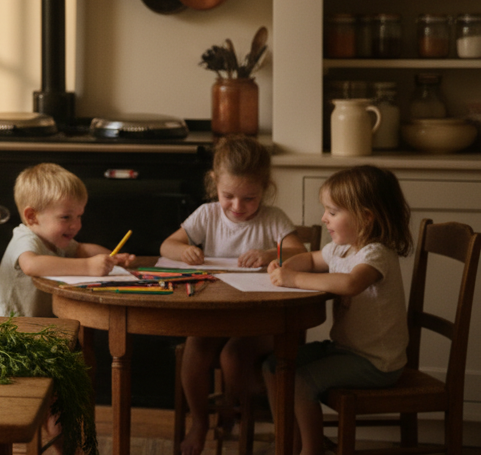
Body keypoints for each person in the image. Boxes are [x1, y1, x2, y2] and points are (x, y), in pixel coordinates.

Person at [161, 134, 305, 455]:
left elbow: (299, 251)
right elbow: (166, 246)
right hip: (215, 311)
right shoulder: (208, 215)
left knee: (232, 357)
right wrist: (184, 251)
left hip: (260, 318)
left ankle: (242, 412)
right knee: (194, 352)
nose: (237, 207)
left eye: (249, 198)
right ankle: (200, 422)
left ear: (265, 188)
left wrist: (270, 255)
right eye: (229, 196)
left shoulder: (273, 219)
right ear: (214, 183)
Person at [265, 165, 412, 455]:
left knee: (300, 381)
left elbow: (352, 283)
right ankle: (288, 440)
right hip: (345, 349)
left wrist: (294, 280)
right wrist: (287, 266)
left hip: (377, 362)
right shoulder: (341, 248)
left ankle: (311, 449)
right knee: (273, 365)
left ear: (365, 217)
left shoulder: (376, 253)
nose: (324, 218)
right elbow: (309, 258)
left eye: (332, 212)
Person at [0, 163, 137, 320]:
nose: (76, 225)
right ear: (32, 216)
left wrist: (113, 258)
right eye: (66, 217)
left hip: (38, 328)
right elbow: (31, 265)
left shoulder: (53, 238)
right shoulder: (24, 237)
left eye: (79, 216)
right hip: (7, 330)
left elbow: (81, 249)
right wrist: (88, 266)